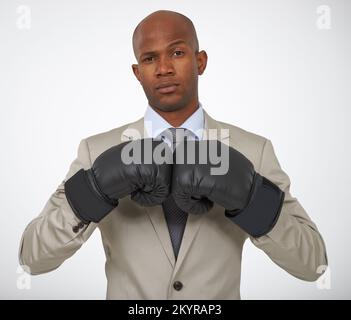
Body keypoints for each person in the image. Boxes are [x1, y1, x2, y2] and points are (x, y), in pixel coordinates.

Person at [18, 10, 328, 299]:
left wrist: (252, 201)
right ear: (137, 73)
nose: (164, 68)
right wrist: (93, 192)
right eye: (150, 58)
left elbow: (313, 264)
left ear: (200, 61)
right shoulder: (97, 150)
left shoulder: (251, 150)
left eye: (177, 53)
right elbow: (32, 259)